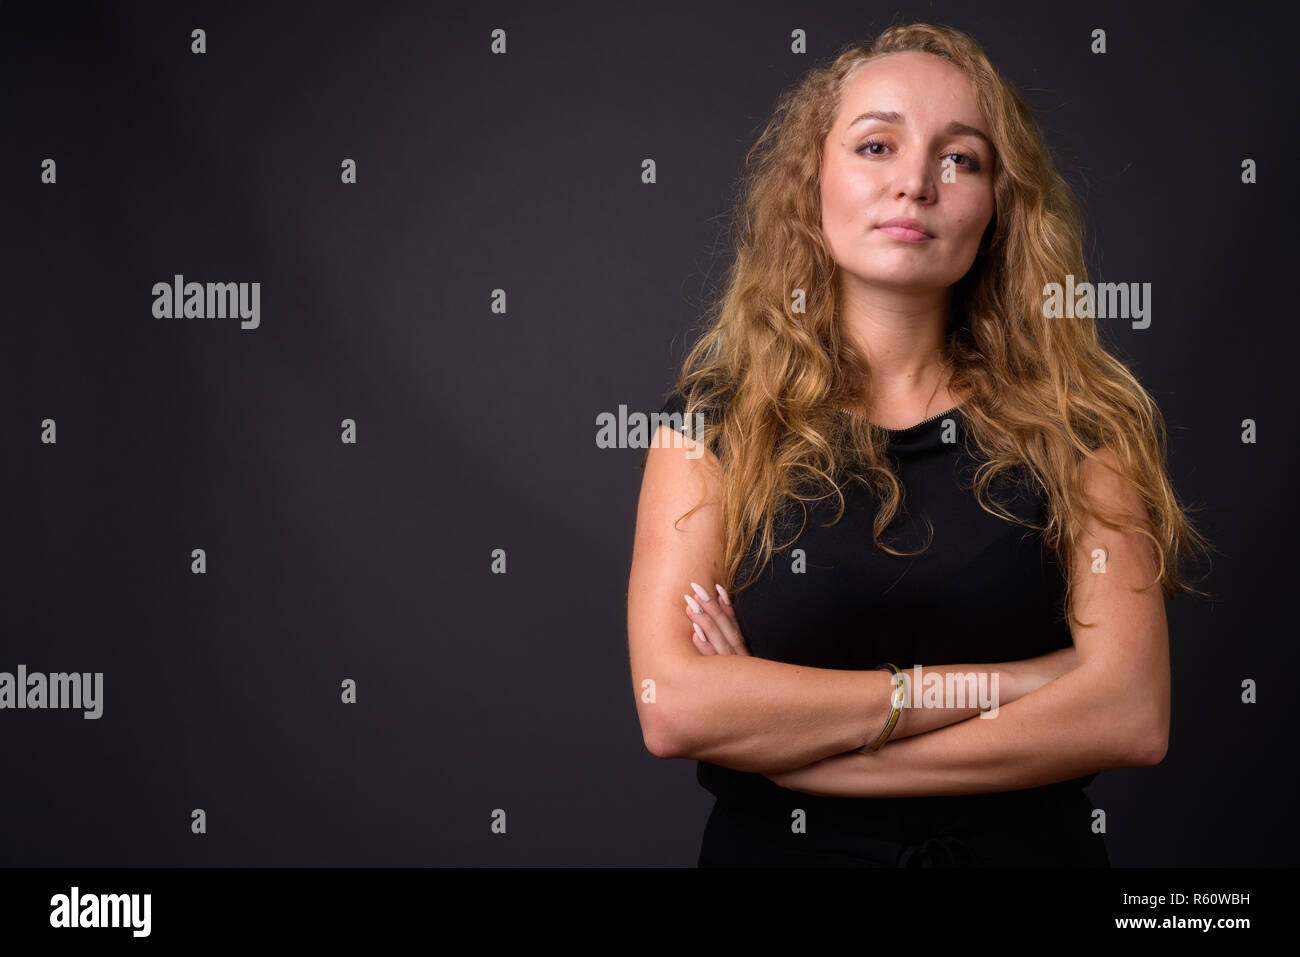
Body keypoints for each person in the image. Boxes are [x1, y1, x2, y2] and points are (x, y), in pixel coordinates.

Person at [626, 21, 1212, 867]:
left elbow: (1128, 714)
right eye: (875, 145)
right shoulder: (711, 424)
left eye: (960, 158)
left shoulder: (1082, 424)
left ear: (1000, 204)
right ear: (811, 181)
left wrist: (815, 757)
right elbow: (674, 704)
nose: (914, 183)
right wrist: (1015, 682)